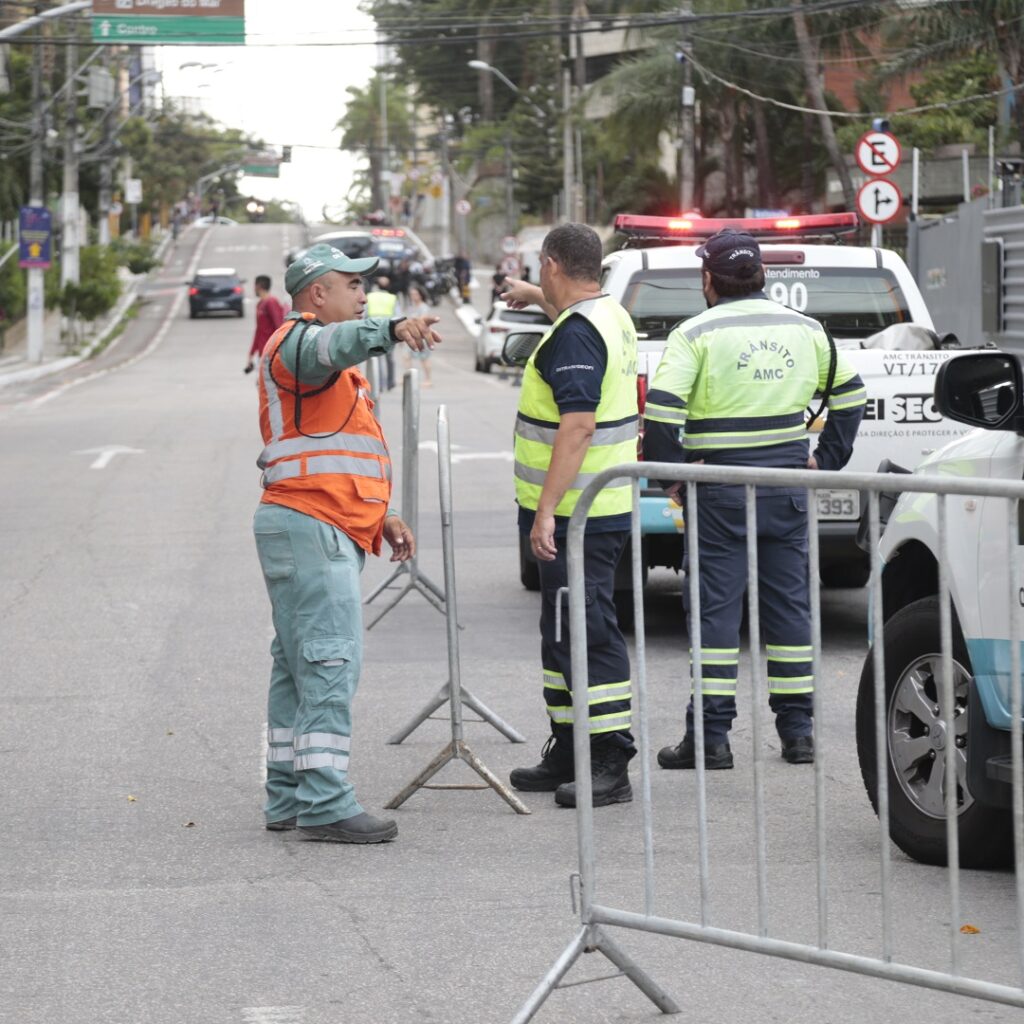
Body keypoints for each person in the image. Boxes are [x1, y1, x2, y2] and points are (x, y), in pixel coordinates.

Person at [642, 229, 866, 770]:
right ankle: (798, 734)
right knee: (789, 610)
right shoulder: (806, 329)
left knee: (716, 615)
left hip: (718, 491)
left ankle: (711, 739)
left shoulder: (694, 334)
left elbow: (663, 413)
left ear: (708, 279)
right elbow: (852, 396)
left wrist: (674, 477)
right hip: (787, 487)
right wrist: (825, 461)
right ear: (763, 275)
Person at [254, 243, 442, 843]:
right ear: (316, 294)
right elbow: (332, 345)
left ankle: (287, 795)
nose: (362, 294)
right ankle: (326, 802)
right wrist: (388, 327)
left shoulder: (335, 371)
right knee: (330, 661)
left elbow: (338, 454)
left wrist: (382, 515)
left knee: (298, 668)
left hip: (315, 520)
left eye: (366, 287)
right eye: (351, 285)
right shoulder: (299, 342)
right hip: (312, 524)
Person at [500, 223, 639, 809]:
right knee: (561, 630)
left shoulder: (578, 336)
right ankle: (569, 744)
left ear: (553, 263)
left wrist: (546, 513)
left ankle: (610, 756)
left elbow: (578, 427)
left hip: (579, 513)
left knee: (586, 630)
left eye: (540, 270)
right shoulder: (609, 313)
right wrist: (534, 296)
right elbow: (568, 307)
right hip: (593, 508)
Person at [245, 274, 286, 374]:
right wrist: (251, 353)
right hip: (262, 353)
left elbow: (279, 327)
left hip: (271, 352)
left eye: (254, 286)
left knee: (268, 386)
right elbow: (258, 331)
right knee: (261, 384)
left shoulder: (271, 302)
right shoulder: (260, 304)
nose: (253, 289)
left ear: (258, 286)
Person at [365, 276, 399, 390]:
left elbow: (363, 314)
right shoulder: (392, 298)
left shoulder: (369, 297)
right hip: (390, 331)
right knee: (390, 358)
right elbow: (398, 316)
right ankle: (390, 382)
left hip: (373, 330)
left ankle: (379, 384)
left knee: (376, 358)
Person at [402, 284, 434, 387]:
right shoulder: (411, 307)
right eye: (411, 294)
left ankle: (428, 379)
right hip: (411, 335)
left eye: (415, 294)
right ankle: (409, 378)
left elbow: (422, 321)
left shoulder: (424, 307)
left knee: (424, 359)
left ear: (420, 295)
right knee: (406, 356)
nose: (413, 296)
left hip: (422, 336)